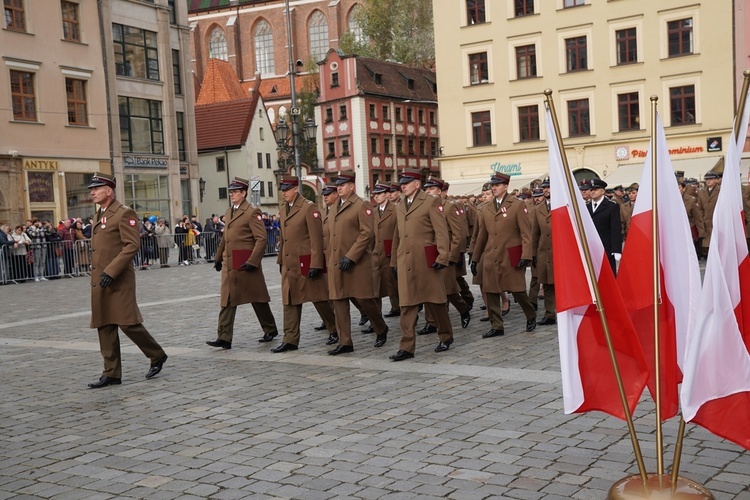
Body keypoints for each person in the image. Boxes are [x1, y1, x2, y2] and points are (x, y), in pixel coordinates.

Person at [87, 172, 168, 388]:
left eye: (97, 188)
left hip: (118, 277)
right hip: (100, 278)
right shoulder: (99, 214)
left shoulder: (124, 213)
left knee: (127, 322)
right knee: (104, 323)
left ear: (109, 190)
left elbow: (131, 245)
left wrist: (111, 270)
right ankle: (111, 372)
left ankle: (157, 354)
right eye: (92, 189)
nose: (92, 192)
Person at [389, 168, 453, 361]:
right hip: (406, 260)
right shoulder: (400, 205)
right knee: (407, 304)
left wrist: (442, 257)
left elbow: (441, 232)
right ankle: (407, 347)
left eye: (407, 182)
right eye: (402, 182)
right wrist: (394, 261)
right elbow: (397, 236)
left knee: (435, 302)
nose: (403, 185)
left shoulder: (431, 202)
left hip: (427, 260)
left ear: (417, 184)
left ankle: (445, 335)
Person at [207, 177, 279, 349]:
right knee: (228, 298)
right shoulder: (229, 211)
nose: (231, 194)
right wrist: (218, 257)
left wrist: (253, 261)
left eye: (235, 192)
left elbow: (261, 239)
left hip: (247, 263)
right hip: (230, 264)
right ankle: (224, 337)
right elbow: (226, 238)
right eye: (230, 192)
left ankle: (270, 329)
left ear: (244, 193)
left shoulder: (252, 212)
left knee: (257, 297)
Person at [271, 176, 337, 353]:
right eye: (282, 190)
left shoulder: (308, 208)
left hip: (306, 261)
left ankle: (335, 328)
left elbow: (316, 238)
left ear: (295, 189)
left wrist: (316, 263)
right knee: (290, 300)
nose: (284, 193)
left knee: (319, 298)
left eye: (287, 189)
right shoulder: (284, 209)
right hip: (289, 263)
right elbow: (284, 238)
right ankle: (290, 339)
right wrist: (280, 260)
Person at [326, 170, 388, 355]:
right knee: (339, 301)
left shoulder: (361, 205)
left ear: (352, 186)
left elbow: (366, 233)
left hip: (357, 263)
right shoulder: (334, 206)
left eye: (343, 184)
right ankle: (345, 342)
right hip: (336, 262)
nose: (339, 187)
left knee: (364, 299)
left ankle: (380, 327)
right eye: (337, 184)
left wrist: (351, 256)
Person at [471, 172, 537, 339]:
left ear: (506, 186)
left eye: (497, 185)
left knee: (518, 291)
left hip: (510, 255)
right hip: (491, 255)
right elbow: (482, 236)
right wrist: (475, 258)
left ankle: (530, 315)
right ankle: (496, 325)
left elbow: (526, 234)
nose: (494, 188)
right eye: (492, 185)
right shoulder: (486, 208)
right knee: (491, 291)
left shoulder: (516, 205)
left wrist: (526, 255)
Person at [370, 183, 400, 322]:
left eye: (380, 193)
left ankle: (404, 312)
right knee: (375, 289)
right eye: (375, 194)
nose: (376, 196)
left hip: (390, 255)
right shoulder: (373, 212)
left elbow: (399, 234)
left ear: (388, 194)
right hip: (376, 256)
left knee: (395, 287)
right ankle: (376, 321)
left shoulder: (396, 210)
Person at [531, 179, 556, 325]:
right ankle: (550, 313)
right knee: (547, 284)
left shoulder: (563, 206)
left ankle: (565, 312)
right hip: (543, 252)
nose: (546, 190)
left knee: (560, 284)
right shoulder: (537, 209)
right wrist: (533, 254)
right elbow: (534, 234)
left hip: (558, 252)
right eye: (545, 187)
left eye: (549, 187)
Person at [587, 178, 622, 275]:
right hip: (591, 249)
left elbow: (615, 229)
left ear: (603, 191)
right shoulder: (586, 207)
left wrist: (616, 249)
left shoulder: (611, 206)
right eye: (591, 189)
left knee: (607, 276)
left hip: (606, 249)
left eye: (595, 189)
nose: (592, 192)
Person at [698, 171, 720, 259]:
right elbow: (700, 208)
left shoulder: (721, 190)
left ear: (716, 180)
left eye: (711, 179)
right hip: (706, 220)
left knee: (718, 241)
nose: (708, 181)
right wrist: (702, 218)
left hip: (717, 220)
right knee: (708, 242)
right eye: (707, 179)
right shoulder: (702, 192)